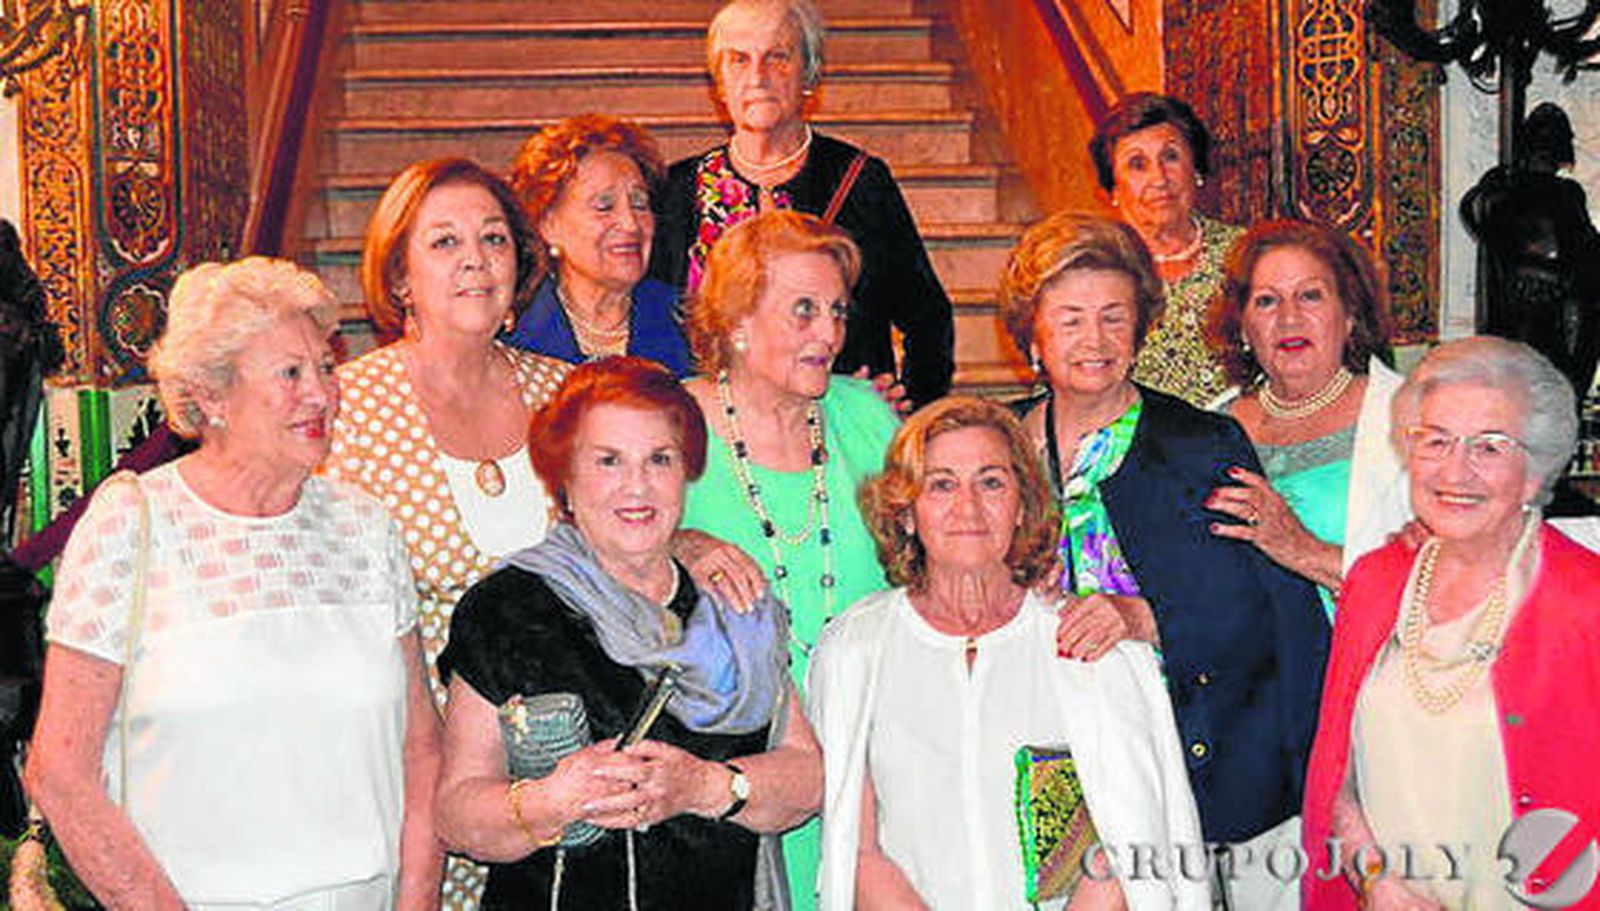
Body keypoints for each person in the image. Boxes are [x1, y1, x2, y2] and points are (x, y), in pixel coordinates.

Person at [24, 257, 441, 908]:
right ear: (212, 395)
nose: (321, 394)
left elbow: (422, 747)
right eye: (290, 373)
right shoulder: (131, 524)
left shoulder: (366, 528)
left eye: (326, 368)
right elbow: (59, 771)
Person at [999, 212, 1326, 908]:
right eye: (1072, 319)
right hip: (1041, 749)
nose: (1095, 340)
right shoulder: (993, 448)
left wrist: (1146, 615)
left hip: (1187, 759)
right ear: (1032, 332)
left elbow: (1266, 611)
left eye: (1115, 317)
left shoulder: (1203, 442)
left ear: (1142, 326)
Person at [434, 357, 820, 909]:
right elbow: (457, 815)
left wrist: (703, 787)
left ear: (686, 470)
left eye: (659, 460)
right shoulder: (506, 611)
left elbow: (807, 778)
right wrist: (552, 801)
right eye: (608, 461)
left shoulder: (734, 604)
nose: (636, 486)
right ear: (564, 476)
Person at [807, 396, 1209, 910]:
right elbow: (855, 849)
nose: (968, 507)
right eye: (942, 484)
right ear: (906, 512)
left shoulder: (1093, 646)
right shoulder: (855, 650)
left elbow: (1134, 844)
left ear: (1023, 504)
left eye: (992, 482)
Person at [324, 156, 573, 906]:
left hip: (556, 784)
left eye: (494, 239)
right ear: (399, 276)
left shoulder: (566, 396)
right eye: (444, 241)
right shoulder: (344, 409)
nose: (474, 258)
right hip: (396, 782)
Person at [1301, 337, 1600, 910]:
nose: (1455, 470)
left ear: (1534, 472)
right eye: (1435, 440)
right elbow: (1338, 774)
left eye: (1489, 447)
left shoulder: (1585, 604)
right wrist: (1375, 880)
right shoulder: (1375, 582)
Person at [678, 209, 900, 909]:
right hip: (742, 766)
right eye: (803, 310)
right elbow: (608, 552)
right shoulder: (673, 424)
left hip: (879, 749)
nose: (829, 333)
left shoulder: (868, 415)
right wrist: (686, 545)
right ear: (738, 319)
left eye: (836, 311)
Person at [649, 0, 954, 407]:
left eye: (778, 57)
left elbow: (927, 315)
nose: (758, 77)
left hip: (839, 425)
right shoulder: (679, 190)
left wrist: (909, 405)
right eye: (739, 60)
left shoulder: (860, 180)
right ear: (719, 84)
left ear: (810, 74)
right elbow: (649, 321)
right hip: (715, 427)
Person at [1204, 220, 1408, 620]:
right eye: (1266, 301)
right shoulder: (1213, 426)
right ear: (1243, 325)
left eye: (1310, 296)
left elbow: (1448, 583)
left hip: (1371, 669)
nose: (1289, 318)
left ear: (1349, 315)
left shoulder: (1410, 417)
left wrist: (1300, 549)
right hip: (1255, 675)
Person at [503, 114, 691, 375]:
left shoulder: (690, 324)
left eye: (640, 204)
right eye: (604, 207)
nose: (630, 224)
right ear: (548, 226)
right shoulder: (510, 328)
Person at [1089, 92, 1244, 406]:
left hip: (1235, 437)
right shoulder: (1093, 267)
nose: (1159, 178)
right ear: (1113, 189)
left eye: (1171, 157)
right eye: (1137, 165)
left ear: (1196, 170)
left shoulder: (1245, 256)